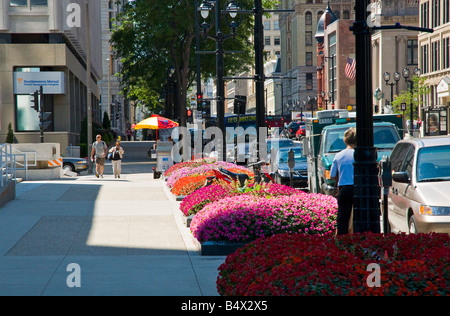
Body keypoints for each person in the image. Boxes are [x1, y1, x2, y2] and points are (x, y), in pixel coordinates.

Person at [330, 127, 356, 235]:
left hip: (344, 189)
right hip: (358, 189)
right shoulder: (359, 155)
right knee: (358, 217)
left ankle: (342, 241)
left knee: (342, 218)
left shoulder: (338, 155)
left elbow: (332, 175)